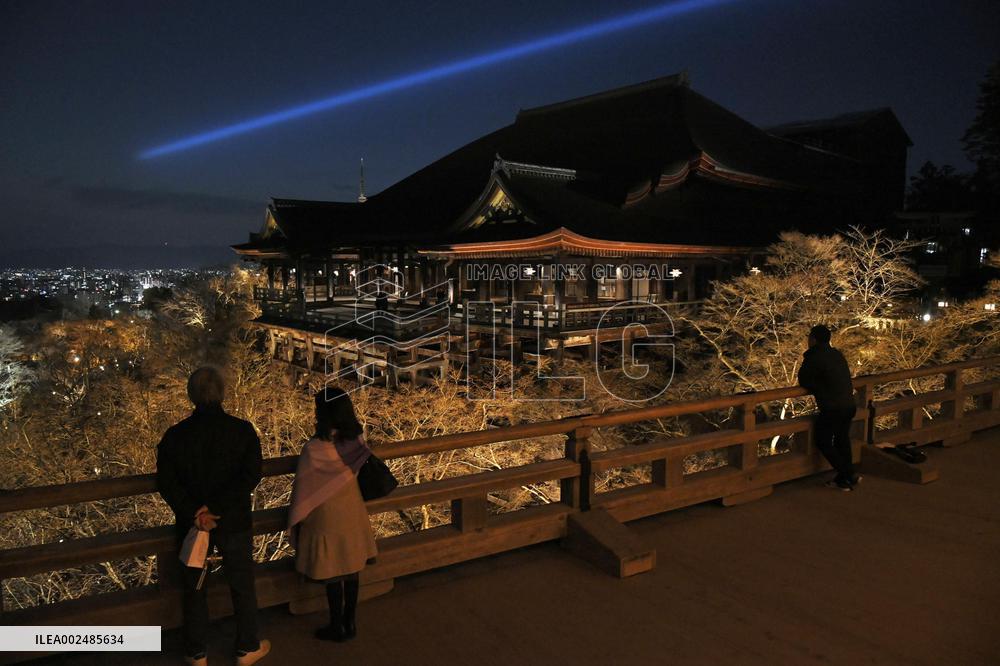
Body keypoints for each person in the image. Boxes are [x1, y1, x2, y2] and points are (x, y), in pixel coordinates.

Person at [157, 366, 270, 666]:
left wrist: (195, 512)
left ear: (190, 395)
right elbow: (250, 476)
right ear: (222, 393)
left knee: (194, 587)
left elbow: (166, 482)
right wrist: (217, 508)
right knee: (242, 583)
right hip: (232, 520)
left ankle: (197, 651)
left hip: (193, 524)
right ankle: (247, 646)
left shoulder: (175, 436)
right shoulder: (242, 431)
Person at [288, 387, 377, 642]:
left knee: (333, 571)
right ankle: (350, 622)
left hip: (325, 514)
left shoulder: (314, 449)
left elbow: (303, 490)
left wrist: (296, 520)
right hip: (352, 509)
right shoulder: (356, 441)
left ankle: (336, 624)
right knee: (351, 568)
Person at [798, 325, 862, 492]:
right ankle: (844, 478)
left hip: (833, 407)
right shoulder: (836, 354)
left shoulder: (815, 356)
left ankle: (848, 473)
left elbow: (804, 380)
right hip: (849, 404)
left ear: (813, 339)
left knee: (823, 440)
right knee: (842, 439)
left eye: (809, 337)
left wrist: (817, 386)